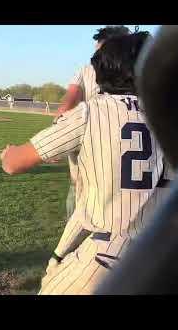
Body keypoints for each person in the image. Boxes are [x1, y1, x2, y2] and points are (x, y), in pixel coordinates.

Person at [0, 31, 172, 294]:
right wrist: (58, 254)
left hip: (108, 256)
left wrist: (8, 153)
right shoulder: (171, 118)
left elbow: (14, 163)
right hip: (163, 259)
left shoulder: (92, 112)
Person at [56, 26, 131, 220]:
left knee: (80, 189)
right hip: (124, 143)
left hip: (90, 137)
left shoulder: (86, 70)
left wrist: (57, 137)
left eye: (99, 47)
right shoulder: (136, 72)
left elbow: (67, 104)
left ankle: (76, 235)